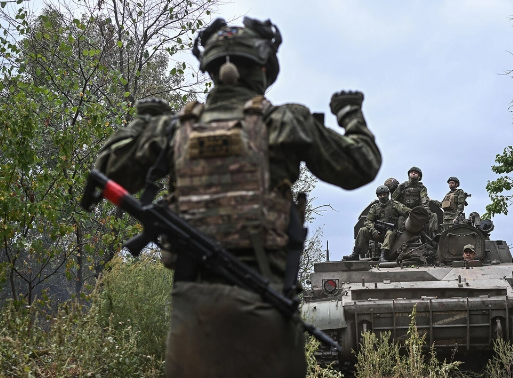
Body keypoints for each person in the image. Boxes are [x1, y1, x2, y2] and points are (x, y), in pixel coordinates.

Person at [93, 17, 381, 378]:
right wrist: (351, 114)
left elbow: (106, 170)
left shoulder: (172, 130)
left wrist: (143, 121)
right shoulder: (284, 122)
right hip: (267, 309)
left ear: (211, 68)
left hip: (192, 317)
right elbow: (361, 165)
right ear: (263, 67)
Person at [343, 185, 410, 262]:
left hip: (393, 234)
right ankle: (355, 254)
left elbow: (407, 211)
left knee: (389, 233)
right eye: (380, 195)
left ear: (387, 194)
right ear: (378, 196)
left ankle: (383, 256)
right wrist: (373, 230)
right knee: (362, 230)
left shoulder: (395, 204)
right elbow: (368, 221)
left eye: (384, 194)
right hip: (378, 232)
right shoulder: (375, 207)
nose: (382, 196)